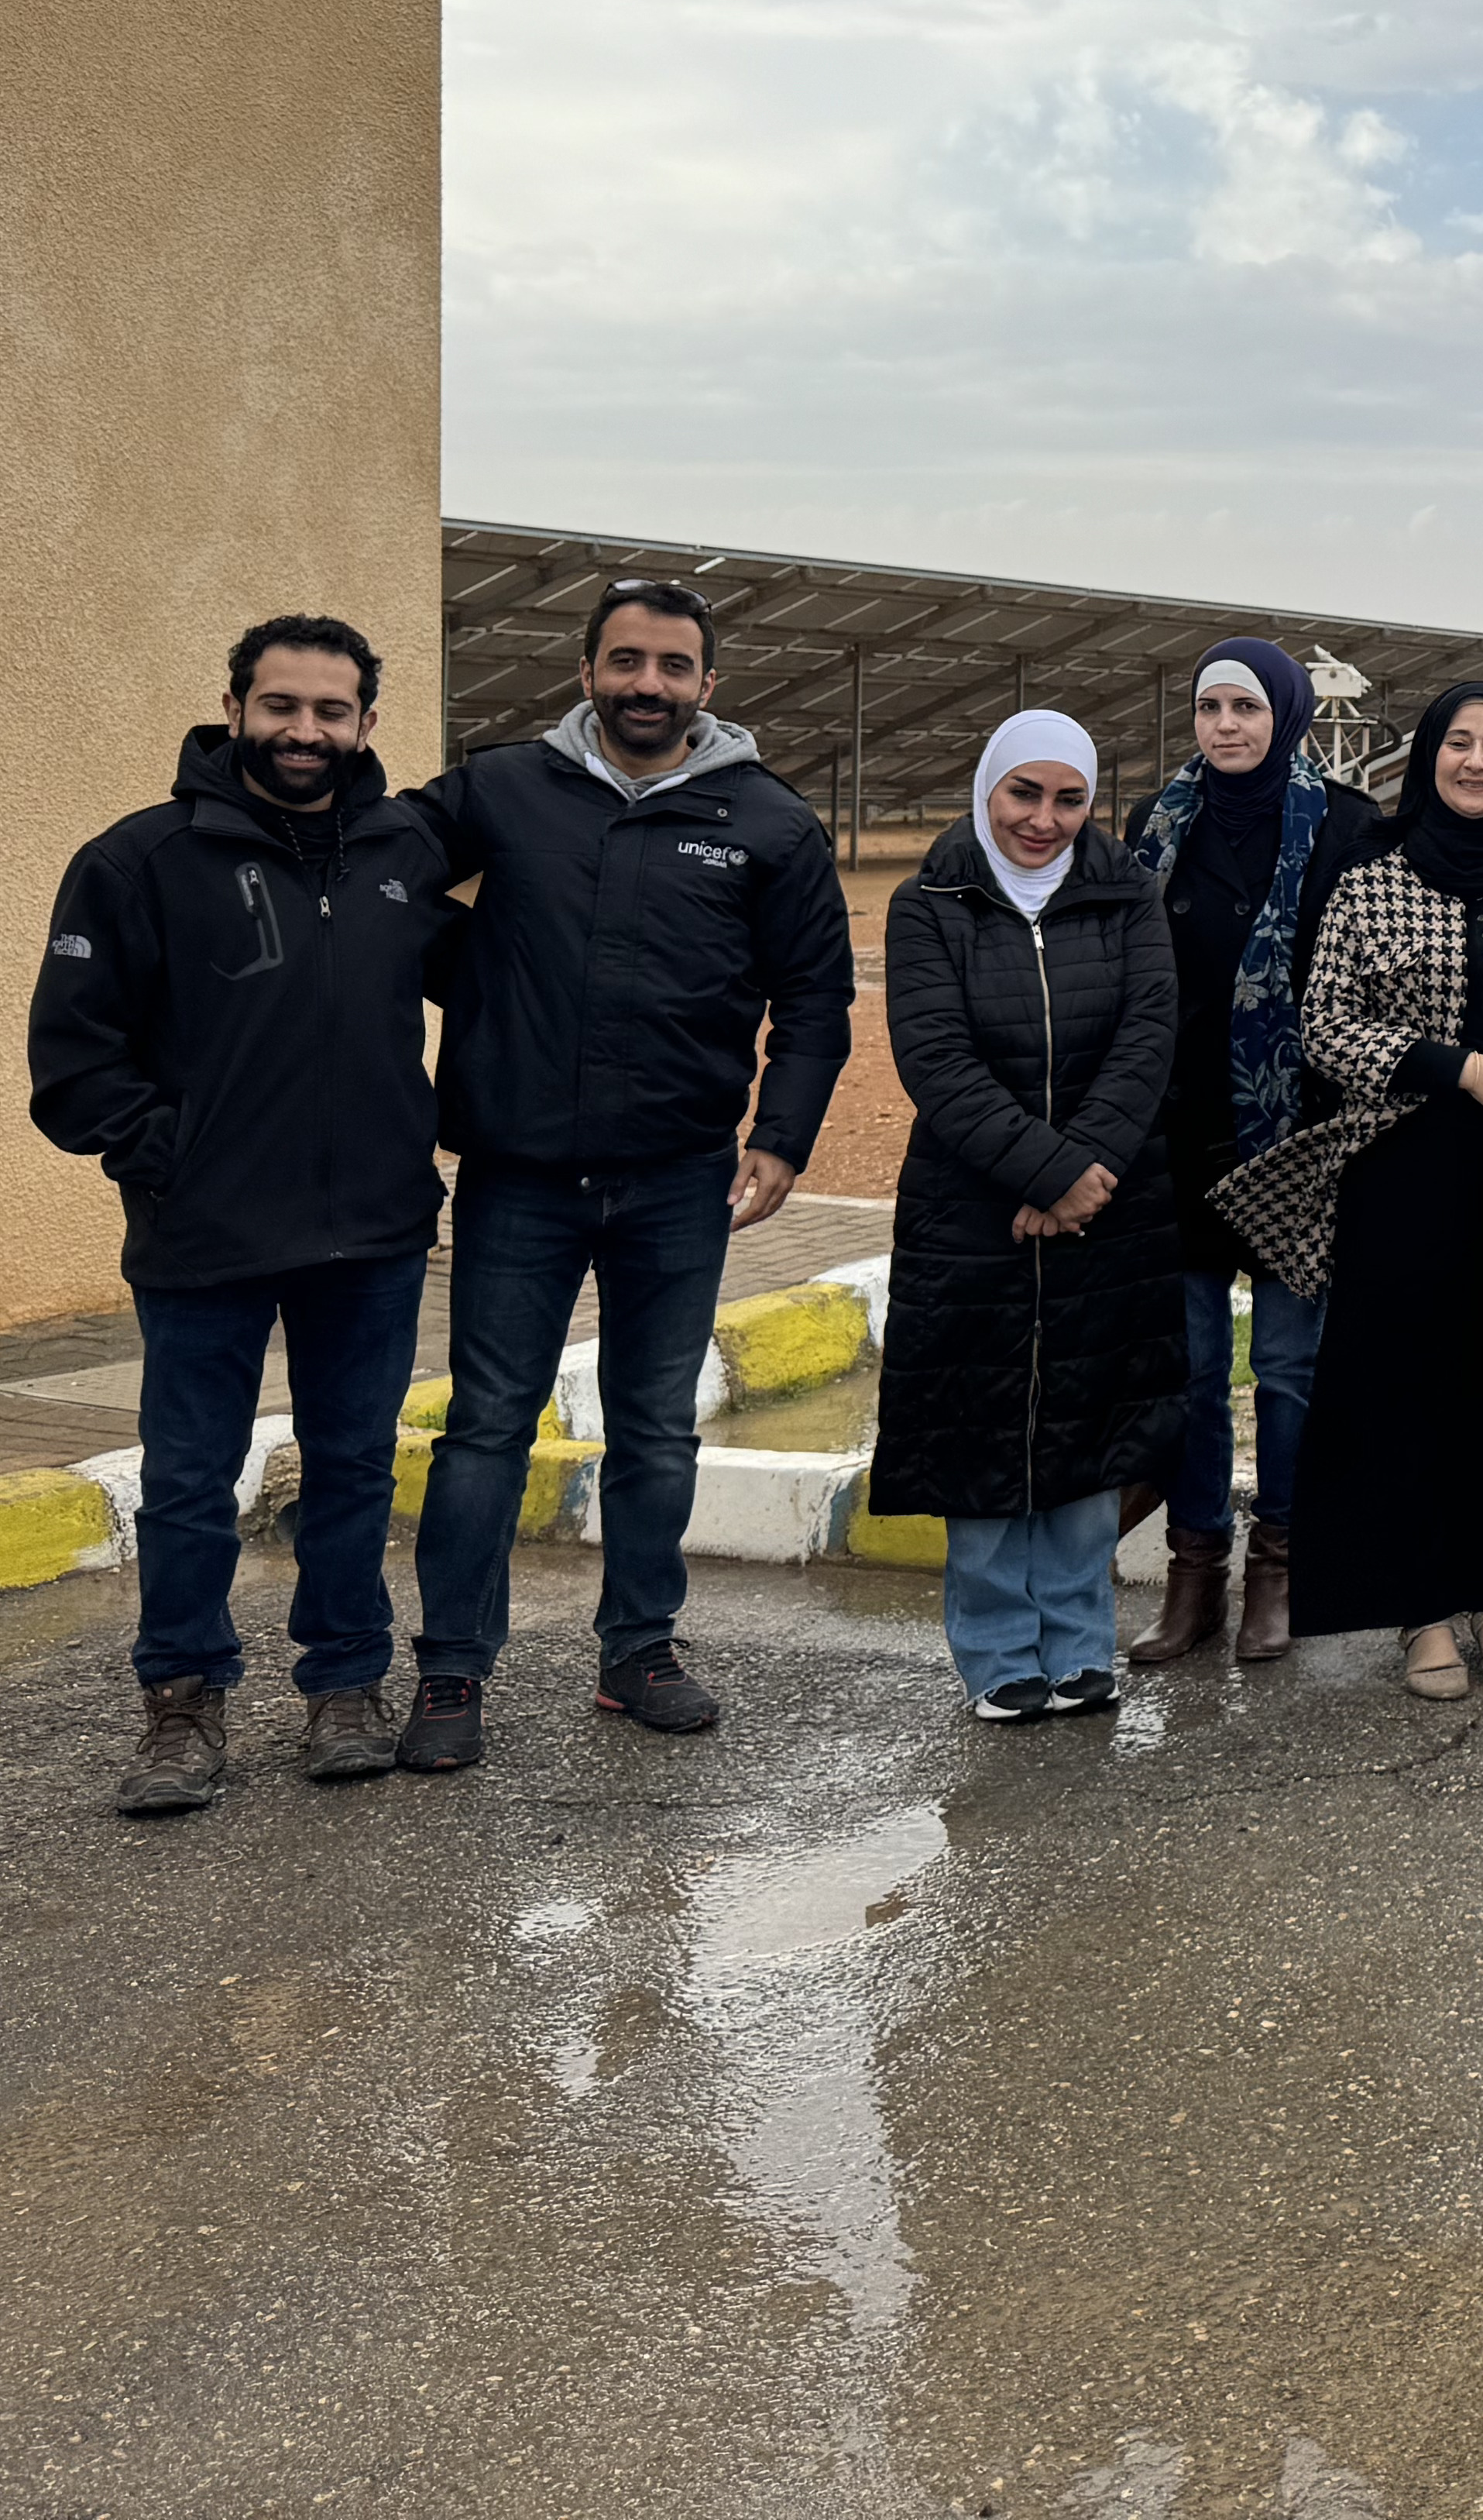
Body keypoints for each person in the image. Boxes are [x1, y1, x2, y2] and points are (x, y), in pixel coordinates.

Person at [399, 578, 854, 1769]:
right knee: (487, 1427)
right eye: (626, 662)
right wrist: (481, 972)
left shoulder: (767, 822)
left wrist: (784, 1137)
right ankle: (451, 1672)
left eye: (672, 667)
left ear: (710, 684)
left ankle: (638, 1649)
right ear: (587, 669)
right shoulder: (500, 789)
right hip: (519, 1176)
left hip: (677, 1180)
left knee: (656, 1430)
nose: (647, 685)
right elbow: (378, 869)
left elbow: (815, 1001)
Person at [29, 618, 462, 1814]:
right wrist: (172, 1155)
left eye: (332, 712)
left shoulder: (403, 854)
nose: (305, 733)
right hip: (204, 1236)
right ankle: (181, 1704)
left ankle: (344, 1687)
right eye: (282, 707)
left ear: (369, 723)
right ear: (234, 708)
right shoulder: (139, 861)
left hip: (370, 1233)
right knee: (186, 1481)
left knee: (353, 1473)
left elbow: (501, 973)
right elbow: (72, 1060)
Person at [1216, 680, 1483, 1697]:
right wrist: (1459, 1069)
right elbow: (1328, 1026)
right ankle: (1422, 1613)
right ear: (1429, 759)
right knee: (1408, 1397)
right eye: (1459, 743)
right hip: (1402, 1180)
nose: (1478, 761)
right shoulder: (1374, 880)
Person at [867, 714, 1186, 1719]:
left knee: (1090, 1433)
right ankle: (1001, 1649)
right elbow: (937, 1060)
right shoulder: (928, 905)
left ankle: (1082, 1641)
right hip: (975, 1211)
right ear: (988, 789)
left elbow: (1147, 1036)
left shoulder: (1129, 894)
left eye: (1068, 799)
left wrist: (1086, 1170)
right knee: (985, 1435)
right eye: (1023, 794)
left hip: (1111, 1209)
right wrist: (1045, 1172)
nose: (1043, 820)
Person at [1121, 639, 1366, 1665]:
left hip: (1295, 1144)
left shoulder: (1349, 831)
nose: (1225, 725)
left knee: (1288, 1368)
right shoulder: (1156, 826)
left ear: (1290, 716)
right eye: (1209, 707)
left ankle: (1281, 1565)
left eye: (1247, 708)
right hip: (1175, 1138)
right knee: (1189, 1367)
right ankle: (1195, 1574)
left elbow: (1370, 988)